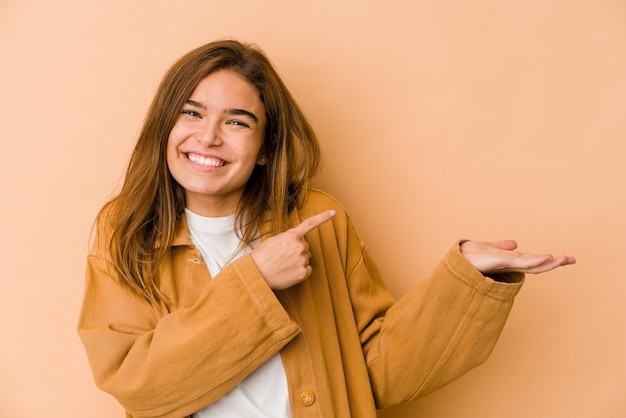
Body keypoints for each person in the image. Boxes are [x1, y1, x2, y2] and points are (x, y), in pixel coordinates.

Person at [78, 39, 575, 418]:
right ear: (166, 125)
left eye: (238, 122)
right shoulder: (125, 229)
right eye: (191, 112)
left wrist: (467, 278)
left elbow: (376, 373)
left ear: (266, 147)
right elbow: (141, 385)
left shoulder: (316, 219)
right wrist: (256, 282)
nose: (208, 136)